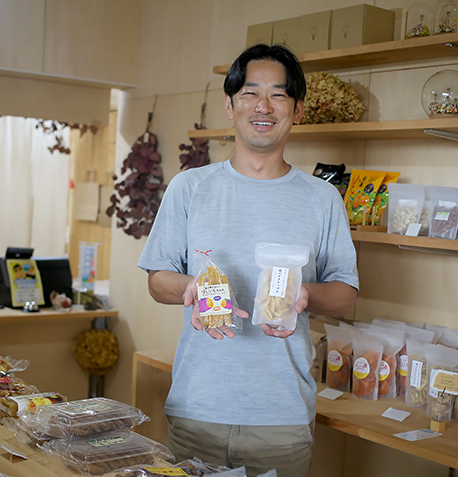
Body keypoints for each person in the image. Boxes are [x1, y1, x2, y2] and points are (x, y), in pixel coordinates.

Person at [137, 43, 359, 477]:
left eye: (278, 94)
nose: (263, 106)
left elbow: (346, 294)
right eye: (250, 93)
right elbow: (157, 279)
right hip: (197, 408)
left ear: (296, 110)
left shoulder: (322, 198)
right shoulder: (190, 188)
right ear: (230, 105)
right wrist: (190, 289)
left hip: (281, 417)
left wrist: (305, 293)